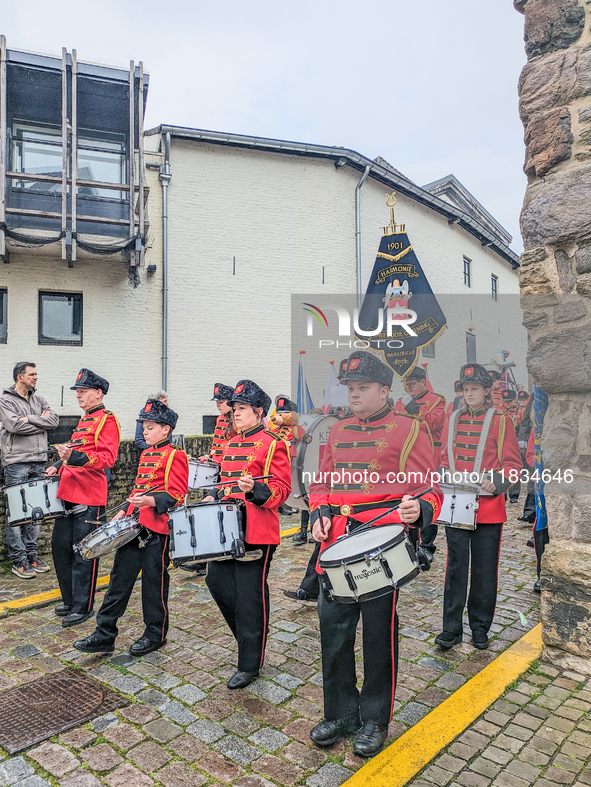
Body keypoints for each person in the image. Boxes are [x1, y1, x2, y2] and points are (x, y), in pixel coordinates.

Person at [308, 350, 442, 757]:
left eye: (363, 388)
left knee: (378, 636)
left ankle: (374, 719)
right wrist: (318, 511)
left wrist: (420, 508)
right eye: (350, 388)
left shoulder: (409, 429)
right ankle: (340, 713)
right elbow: (321, 483)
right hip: (336, 542)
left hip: (380, 545)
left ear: (384, 390)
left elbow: (428, 487)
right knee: (333, 632)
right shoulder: (335, 430)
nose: (354, 395)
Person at [74, 399, 188, 656]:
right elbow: (137, 490)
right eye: (143, 428)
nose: (144, 432)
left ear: (166, 429)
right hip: (133, 528)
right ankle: (104, 634)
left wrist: (150, 501)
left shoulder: (176, 455)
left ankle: (155, 634)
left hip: (156, 531)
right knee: (118, 580)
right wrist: (124, 512)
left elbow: (178, 495)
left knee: (154, 583)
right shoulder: (146, 454)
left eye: (149, 428)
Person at [203, 379, 291, 689]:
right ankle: (248, 635)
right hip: (226, 526)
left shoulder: (272, 442)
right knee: (216, 580)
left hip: (256, 527)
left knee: (250, 596)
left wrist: (256, 489)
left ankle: (249, 661)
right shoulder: (230, 443)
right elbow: (224, 485)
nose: (234, 413)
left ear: (257, 411)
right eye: (234, 408)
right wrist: (212, 496)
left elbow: (282, 491)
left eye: (240, 409)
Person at [435, 363, 522, 652]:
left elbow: (513, 465)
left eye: (474, 389)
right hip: (457, 504)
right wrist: (442, 473)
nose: (469, 393)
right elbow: (444, 456)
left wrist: (496, 483)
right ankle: (451, 628)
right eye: (465, 389)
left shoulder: (501, 422)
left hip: (487, 508)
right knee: (456, 568)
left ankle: (480, 627)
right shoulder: (453, 417)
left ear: (487, 391)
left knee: (484, 571)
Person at [46, 369, 120, 627]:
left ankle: (82, 606)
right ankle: (69, 599)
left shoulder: (106, 420)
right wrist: (58, 463)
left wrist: (72, 458)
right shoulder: (85, 419)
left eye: (83, 391)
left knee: (83, 552)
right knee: (60, 548)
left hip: (89, 494)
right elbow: (78, 448)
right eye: (77, 392)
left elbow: (107, 459)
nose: (78, 395)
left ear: (98, 393)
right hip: (68, 491)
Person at [0, 362, 59, 578]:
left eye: (36, 374)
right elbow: (14, 426)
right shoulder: (5, 400)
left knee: (37, 511)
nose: (36, 377)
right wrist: (40, 421)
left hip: (39, 460)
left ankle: (32, 554)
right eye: (32, 374)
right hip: (16, 462)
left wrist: (32, 419)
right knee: (16, 513)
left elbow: (54, 421)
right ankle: (19, 560)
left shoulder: (39, 399)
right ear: (19, 377)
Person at [395, 366, 445, 561]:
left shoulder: (437, 400)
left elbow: (434, 423)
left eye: (413, 384)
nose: (409, 388)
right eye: (407, 384)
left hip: (427, 456)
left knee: (426, 497)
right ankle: (409, 541)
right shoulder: (400, 402)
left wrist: (414, 408)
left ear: (423, 382)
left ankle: (427, 545)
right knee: (406, 499)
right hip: (404, 457)